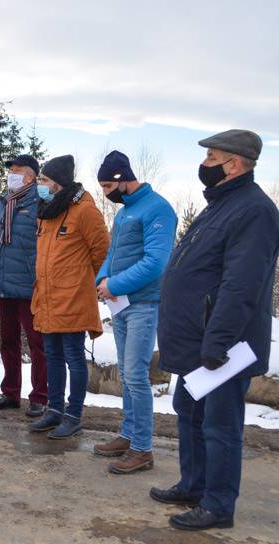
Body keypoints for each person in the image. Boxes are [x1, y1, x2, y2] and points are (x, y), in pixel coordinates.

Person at [151, 130, 279, 530]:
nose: (204, 164)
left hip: (220, 347)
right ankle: (194, 484)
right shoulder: (221, 204)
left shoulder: (254, 211)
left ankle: (219, 504)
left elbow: (241, 285)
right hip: (195, 340)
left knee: (220, 426)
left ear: (235, 164)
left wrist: (219, 341)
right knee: (189, 413)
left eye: (211, 157)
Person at [94, 151, 177, 474]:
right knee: (128, 375)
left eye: (106, 185)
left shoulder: (158, 209)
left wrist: (116, 285)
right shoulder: (126, 212)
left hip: (143, 303)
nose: (105, 192)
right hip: (122, 304)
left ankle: (143, 449)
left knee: (136, 376)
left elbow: (156, 263)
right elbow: (113, 254)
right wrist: (101, 279)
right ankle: (129, 435)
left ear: (121, 179)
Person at [29, 155, 110, 438]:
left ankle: (73, 415)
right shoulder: (48, 211)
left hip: (74, 299)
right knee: (52, 356)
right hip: (48, 298)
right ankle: (54, 410)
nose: (40, 184)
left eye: (44, 180)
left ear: (59, 183)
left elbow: (103, 254)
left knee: (74, 357)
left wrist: (96, 286)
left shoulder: (84, 211)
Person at [0, 154, 48, 417]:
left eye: (16, 170)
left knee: (37, 343)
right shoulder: (2, 202)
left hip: (28, 284)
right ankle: (10, 393)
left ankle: (40, 396)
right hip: (3, 283)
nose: (11, 173)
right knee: (8, 342)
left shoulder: (40, 202)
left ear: (30, 176)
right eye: (10, 170)